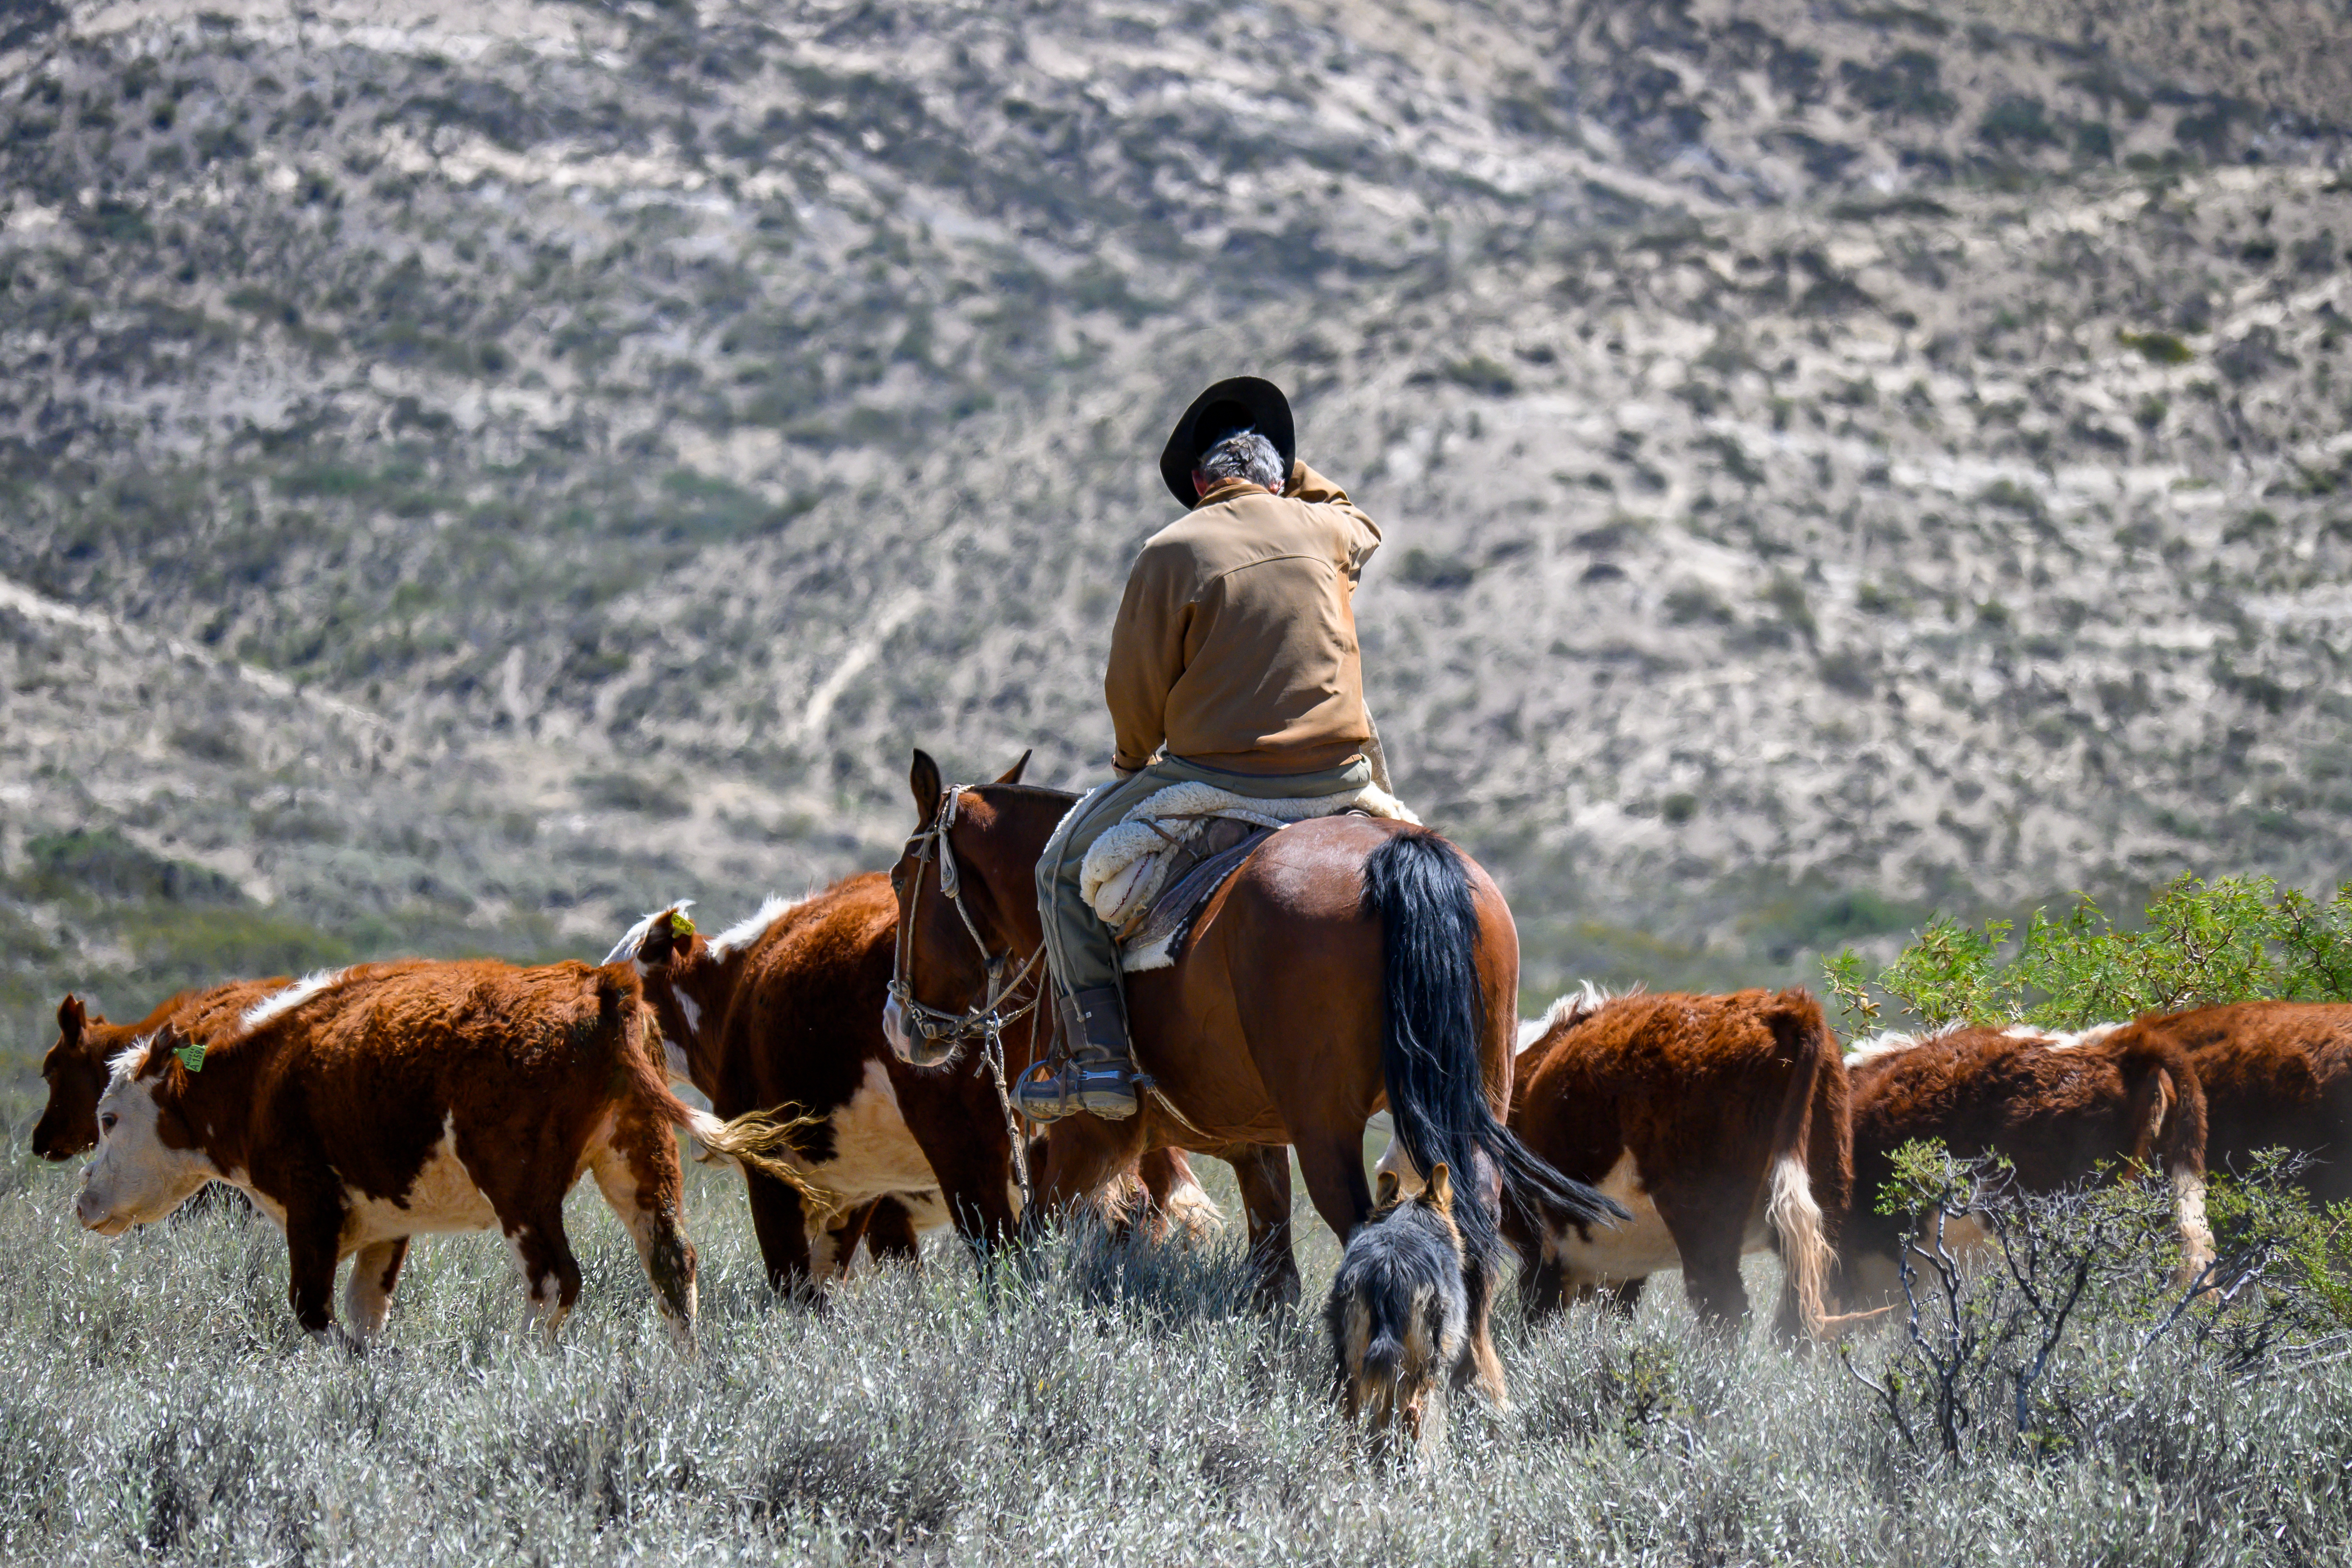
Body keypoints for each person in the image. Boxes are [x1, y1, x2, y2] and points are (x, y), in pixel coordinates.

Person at [1018, 376, 1386, 1123]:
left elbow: (1134, 688)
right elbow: (1359, 519)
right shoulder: (1325, 532)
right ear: (1281, 479)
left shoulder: (1170, 549)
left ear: (1197, 484)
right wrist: (1291, 465)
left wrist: (1130, 768)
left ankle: (1101, 1063)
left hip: (1220, 777)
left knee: (1058, 870)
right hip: (1340, 776)